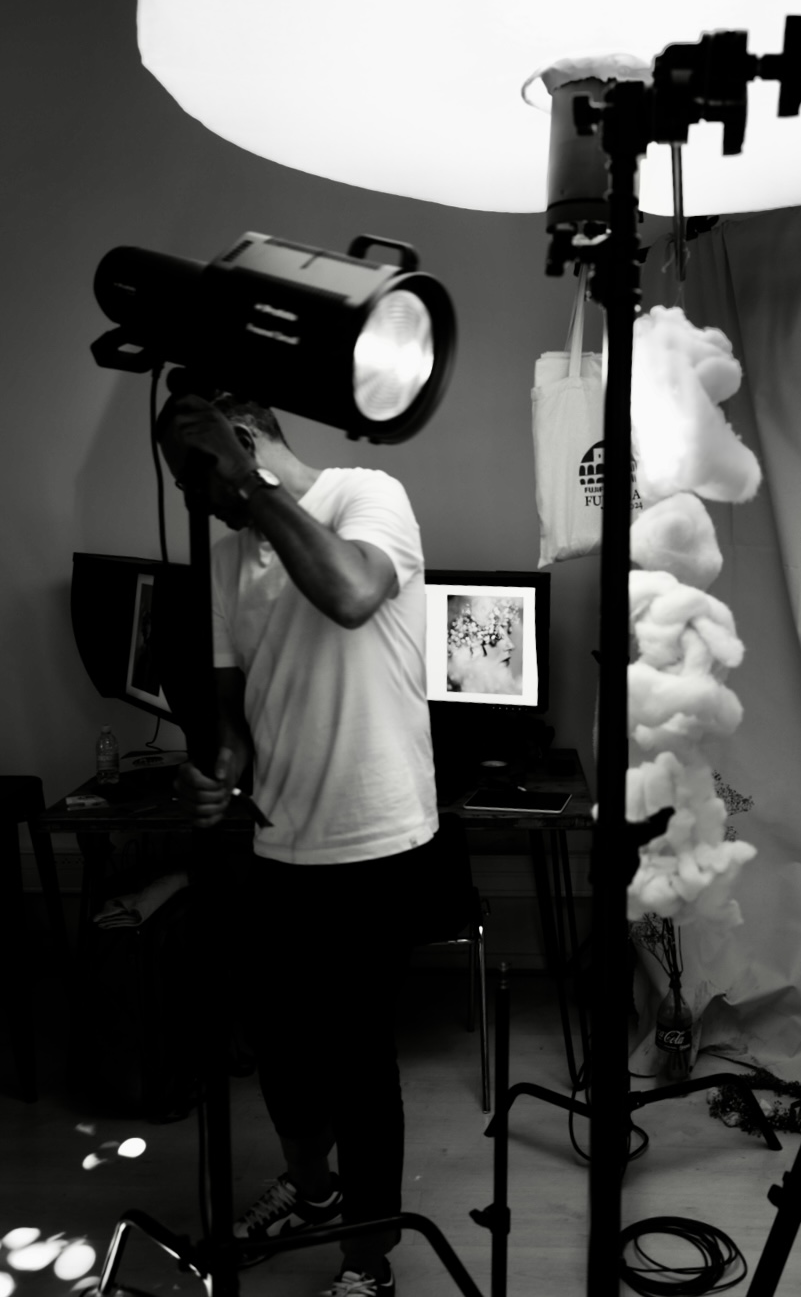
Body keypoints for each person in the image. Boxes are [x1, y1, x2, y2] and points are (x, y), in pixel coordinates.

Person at [159, 389, 442, 1297]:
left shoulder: (369, 495)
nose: (195, 502)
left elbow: (352, 595)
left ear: (243, 443)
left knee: (358, 1060)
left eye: (197, 477)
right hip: (277, 839)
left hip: (377, 837)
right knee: (280, 1047)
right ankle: (314, 1193)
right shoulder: (224, 560)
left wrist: (251, 486)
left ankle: (368, 1260)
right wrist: (216, 772)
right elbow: (235, 716)